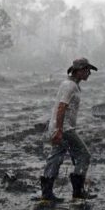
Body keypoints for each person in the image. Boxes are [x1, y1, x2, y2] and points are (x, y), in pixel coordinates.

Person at [40, 57, 98, 202]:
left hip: (61, 127)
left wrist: (56, 128)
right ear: (78, 71)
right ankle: (78, 192)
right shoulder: (70, 86)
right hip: (64, 128)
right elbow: (61, 107)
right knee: (84, 155)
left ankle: (47, 193)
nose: (89, 73)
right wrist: (59, 130)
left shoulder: (71, 84)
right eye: (87, 70)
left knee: (56, 156)